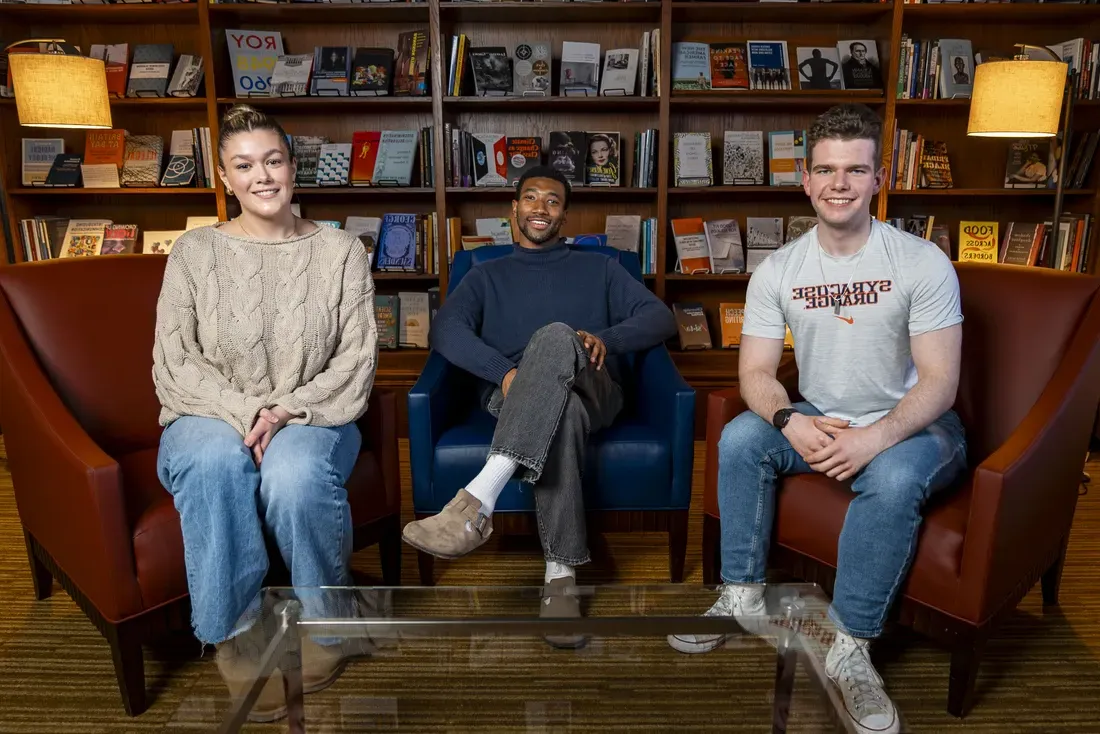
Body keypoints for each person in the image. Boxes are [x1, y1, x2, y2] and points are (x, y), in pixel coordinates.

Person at [668, 104, 966, 734]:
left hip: (915, 425)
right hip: (820, 416)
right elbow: (755, 374)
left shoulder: (921, 262)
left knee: (890, 480)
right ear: (804, 178)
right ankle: (741, 594)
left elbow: (940, 383)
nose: (839, 184)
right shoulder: (779, 270)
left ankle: (851, 646)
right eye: (826, 170)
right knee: (741, 436)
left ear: (878, 178)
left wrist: (875, 439)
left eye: (855, 170)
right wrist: (788, 423)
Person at [152, 104, 378, 722]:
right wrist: (247, 410)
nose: (262, 176)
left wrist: (284, 411)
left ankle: (331, 628)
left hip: (312, 409)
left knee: (295, 477)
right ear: (226, 177)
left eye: (273, 161)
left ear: (292, 169)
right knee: (214, 462)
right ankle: (233, 631)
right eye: (244, 165)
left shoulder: (339, 252)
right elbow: (175, 358)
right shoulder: (194, 253)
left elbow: (355, 360)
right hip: (207, 410)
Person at [401, 165, 677, 646]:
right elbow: (446, 330)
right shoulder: (485, 275)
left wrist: (603, 341)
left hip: (597, 388)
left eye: (552, 202)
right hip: (510, 394)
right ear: (514, 208)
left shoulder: (602, 268)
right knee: (561, 411)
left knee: (555, 335)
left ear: (565, 215)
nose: (540, 209)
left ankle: (476, 501)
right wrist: (505, 373)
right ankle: (561, 576)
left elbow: (660, 317)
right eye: (531, 198)